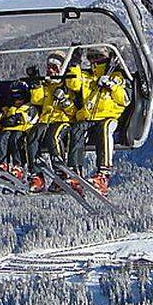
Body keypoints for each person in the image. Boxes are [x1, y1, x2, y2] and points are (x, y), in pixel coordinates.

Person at [65, 46, 128, 195]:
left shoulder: (116, 76)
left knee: (105, 129)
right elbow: (73, 84)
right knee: (77, 129)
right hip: (88, 117)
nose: (94, 61)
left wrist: (112, 86)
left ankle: (103, 173)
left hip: (109, 116)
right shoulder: (87, 77)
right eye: (91, 58)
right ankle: (75, 170)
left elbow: (124, 99)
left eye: (97, 57)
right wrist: (74, 64)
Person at [25, 51, 77, 192]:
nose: (50, 70)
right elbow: (38, 101)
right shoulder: (47, 85)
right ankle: (36, 174)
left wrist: (64, 100)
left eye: (54, 67)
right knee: (32, 136)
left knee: (53, 136)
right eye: (49, 67)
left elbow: (74, 111)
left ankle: (61, 172)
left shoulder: (68, 84)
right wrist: (36, 84)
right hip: (46, 119)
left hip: (64, 120)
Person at [0, 80, 39, 179]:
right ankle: (2, 163)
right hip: (8, 130)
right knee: (1, 138)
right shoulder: (9, 108)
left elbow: (31, 118)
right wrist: (2, 121)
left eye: (19, 98)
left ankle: (18, 165)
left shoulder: (29, 107)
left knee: (16, 139)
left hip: (23, 130)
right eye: (14, 98)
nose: (17, 101)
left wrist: (18, 118)